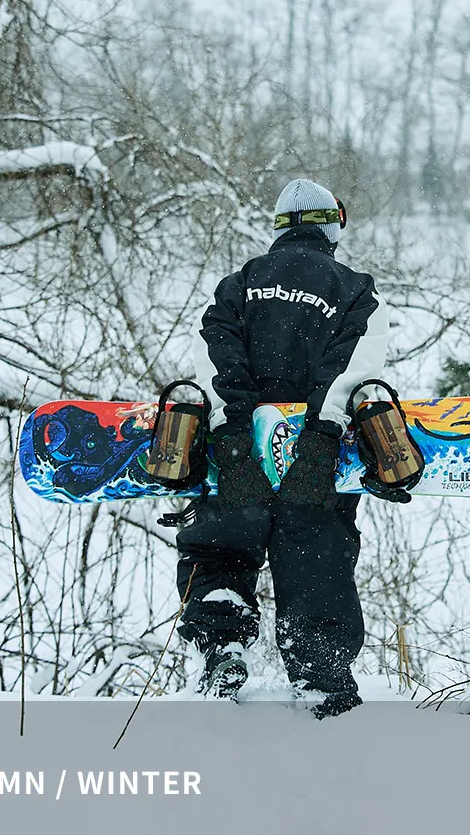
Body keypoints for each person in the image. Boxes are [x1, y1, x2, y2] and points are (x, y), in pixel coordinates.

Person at [176, 178, 410, 718]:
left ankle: (222, 651)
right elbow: (352, 367)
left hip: (235, 451)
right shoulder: (355, 290)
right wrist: (323, 436)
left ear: (280, 228)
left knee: (221, 547)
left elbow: (214, 355)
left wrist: (234, 431)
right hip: (314, 456)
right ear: (332, 226)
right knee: (316, 559)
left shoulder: (238, 284)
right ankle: (321, 683)